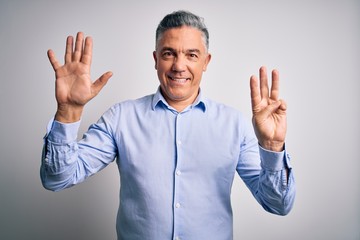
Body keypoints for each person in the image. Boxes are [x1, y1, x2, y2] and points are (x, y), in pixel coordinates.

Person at [41, 10, 295, 240]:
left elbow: (278, 204)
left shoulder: (234, 124)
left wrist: (272, 146)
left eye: (191, 55)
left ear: (206, 61)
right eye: (169, 53)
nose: (179, 66)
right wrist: (69, 110)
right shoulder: (121, 118)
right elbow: (57, 178)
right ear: (156, 59)